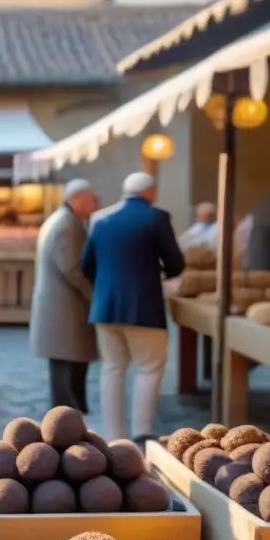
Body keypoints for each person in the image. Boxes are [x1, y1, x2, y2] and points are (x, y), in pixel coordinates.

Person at [81, 172, 185, 442]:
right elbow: (175, 264)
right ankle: (142, 431)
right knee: (150, 366)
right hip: (144, 306)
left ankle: (113, 435)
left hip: (104, 306)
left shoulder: (99, 218)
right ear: (151, 191)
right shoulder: (155, 217)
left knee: (112, 367)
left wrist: (106, 285)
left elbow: (85, 264)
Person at [30, 179, 98, 414]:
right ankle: (66, 420)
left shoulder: (66, 221)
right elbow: (72, 268)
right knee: (65, 374)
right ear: (77, 199)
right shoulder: (65, 225)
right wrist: (95, 295)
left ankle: (71, 417)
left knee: (70, 370)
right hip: (64, 310)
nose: (95, 202)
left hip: (66, 309)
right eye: (91, 198)